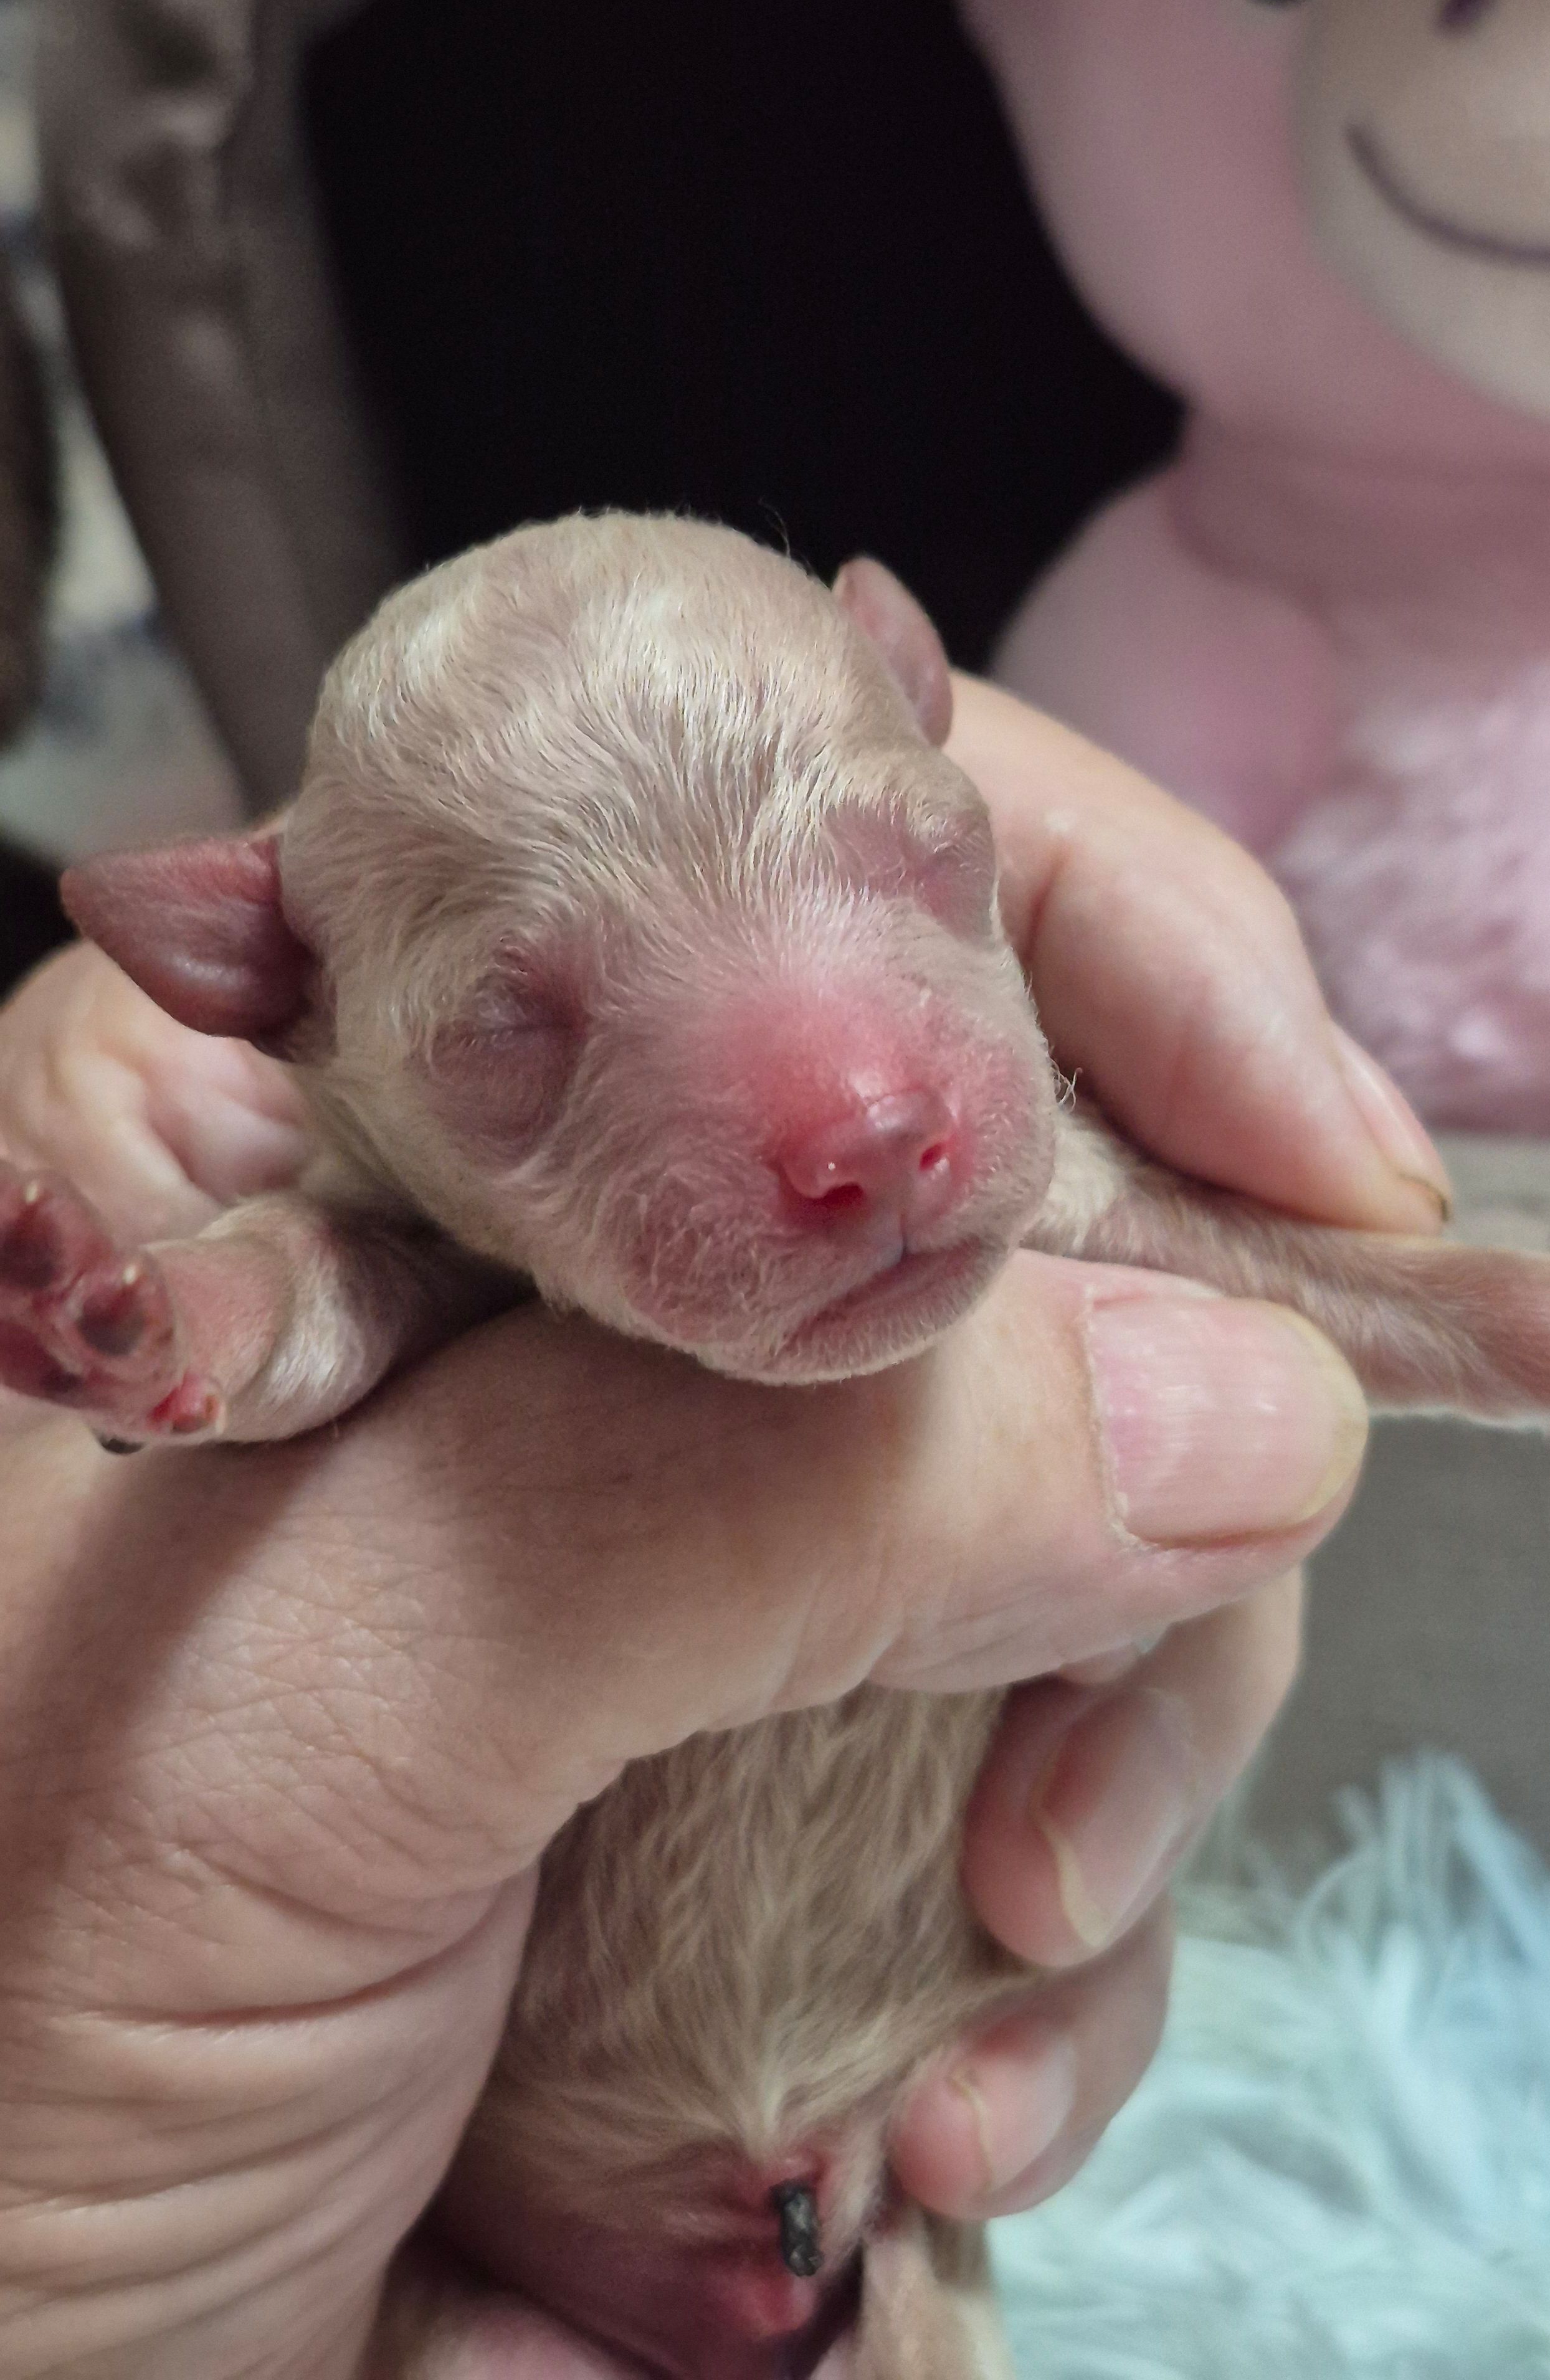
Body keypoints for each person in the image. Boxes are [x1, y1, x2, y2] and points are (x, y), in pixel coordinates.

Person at [0, 679, 1447, 2378]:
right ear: (279, 995)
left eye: (920, 873)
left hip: (849, 2220)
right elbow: (305, 1289)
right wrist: (165, 1329)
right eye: (513, 1029)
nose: (855, 1131)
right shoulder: (313, 1155)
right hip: (444, 2253)